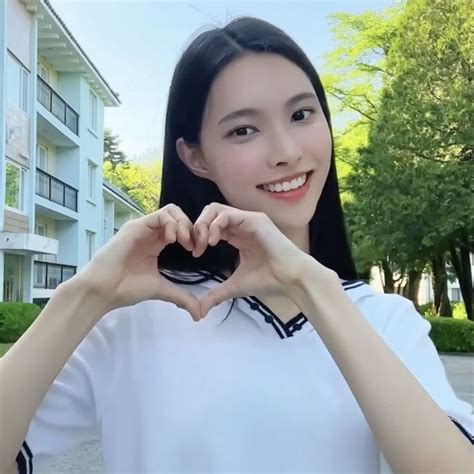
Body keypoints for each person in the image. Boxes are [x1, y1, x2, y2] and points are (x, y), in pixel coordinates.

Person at [1, 16, 472, 474]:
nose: (286, 150)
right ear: (196, 156)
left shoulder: (385, 321)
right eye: (243, 129)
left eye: (302, 114)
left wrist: (313, 285)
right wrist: (84, 296)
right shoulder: (135, 320)